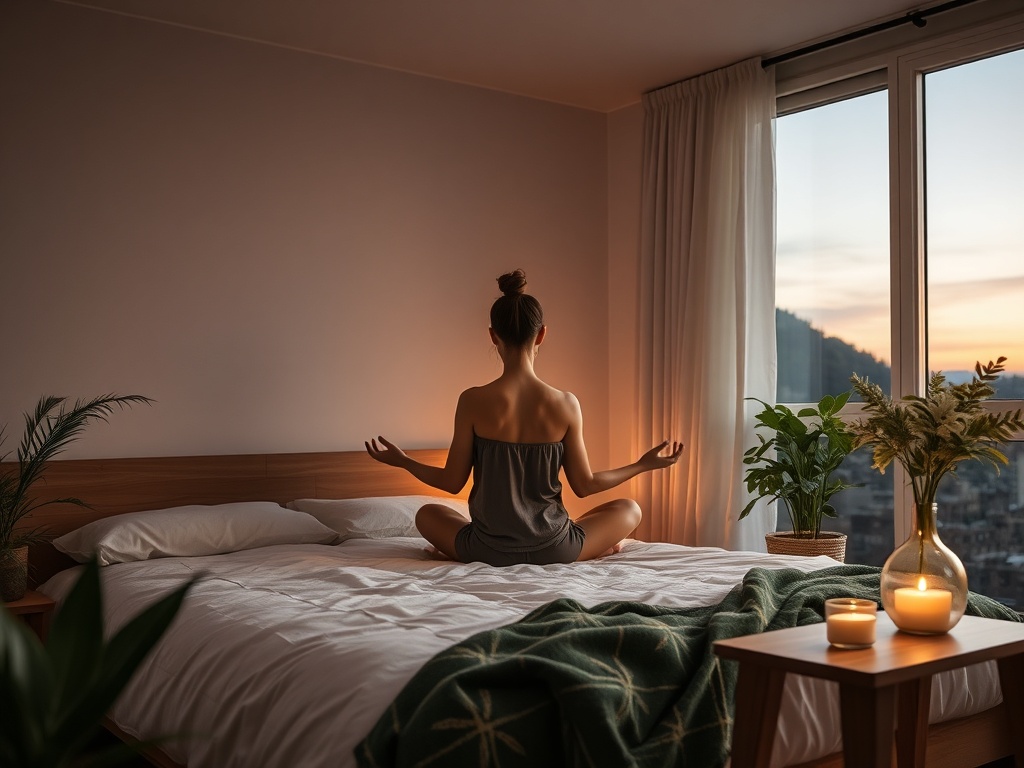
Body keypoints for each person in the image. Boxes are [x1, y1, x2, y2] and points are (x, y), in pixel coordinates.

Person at [365, 269, 683, 566]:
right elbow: (585, 486)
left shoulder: (472, 400)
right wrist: (643, 464)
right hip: (556, 548)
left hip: (486, 550)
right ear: (542, 334)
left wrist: (405, 461)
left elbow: (452, 482)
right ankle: (590, 548)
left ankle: (464, 551)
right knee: (629, 509)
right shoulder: (566, 403)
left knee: (427, 514)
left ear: (493, 336)